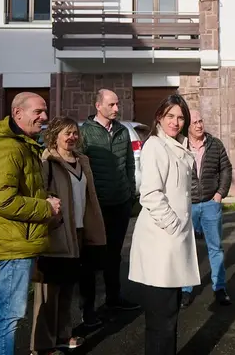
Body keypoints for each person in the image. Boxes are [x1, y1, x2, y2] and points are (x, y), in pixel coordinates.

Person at [0, 92, 61, 355]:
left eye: (45, 111)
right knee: (10, 315)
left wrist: (43, 198)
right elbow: (1, 199)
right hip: (14, 245)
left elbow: (19, 191)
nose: (44, 117)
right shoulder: (9, 148)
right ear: (17, 114)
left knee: (5, 312)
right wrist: (45, 207)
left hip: (19, 241)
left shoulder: (23, 144)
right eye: (38, 111)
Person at [129, 93, 200, 355]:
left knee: (169, 316)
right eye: (170, 116)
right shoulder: (156, 146)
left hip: (172, 243)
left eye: (181, 117)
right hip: (160, 242)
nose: (176, 122)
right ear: (159, 116)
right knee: (162, 319)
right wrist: (175, 227)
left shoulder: (177, 146)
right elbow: (150, 194)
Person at [30, 116, 107, 355]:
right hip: (56, 232)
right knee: (48, 292)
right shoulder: (47, 161)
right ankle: (42, 346)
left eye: (75, 133)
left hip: (80, 231)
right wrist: (54, 220)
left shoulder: (82, 160)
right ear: (54, 135)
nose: (72, 137)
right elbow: (39, 194)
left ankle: (63, 335)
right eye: (67, 133)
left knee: (67, 288)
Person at [79, 89, 139, 327]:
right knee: (92, 258)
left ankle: (114, 299)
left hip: (121, 203)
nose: (116, 109)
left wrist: (130, 192)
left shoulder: (123, 131)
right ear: (98, 106)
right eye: (112, 104)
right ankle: (88, 310)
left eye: (117, 104)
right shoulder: (85, 133)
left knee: (114, 255)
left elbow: (130, 165)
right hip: (97, 207)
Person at [180, 110, 233, 308]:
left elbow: (226, 169)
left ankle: (219, 288)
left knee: (215, 248)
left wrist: (220, 194)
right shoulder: (180, 145)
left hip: (211, 203)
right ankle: (186, 291)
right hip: (188, 205)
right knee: (187, 249)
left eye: (201, 121)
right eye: (194, 122)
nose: (199, 125)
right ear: (188, 126)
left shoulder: (215, 144)